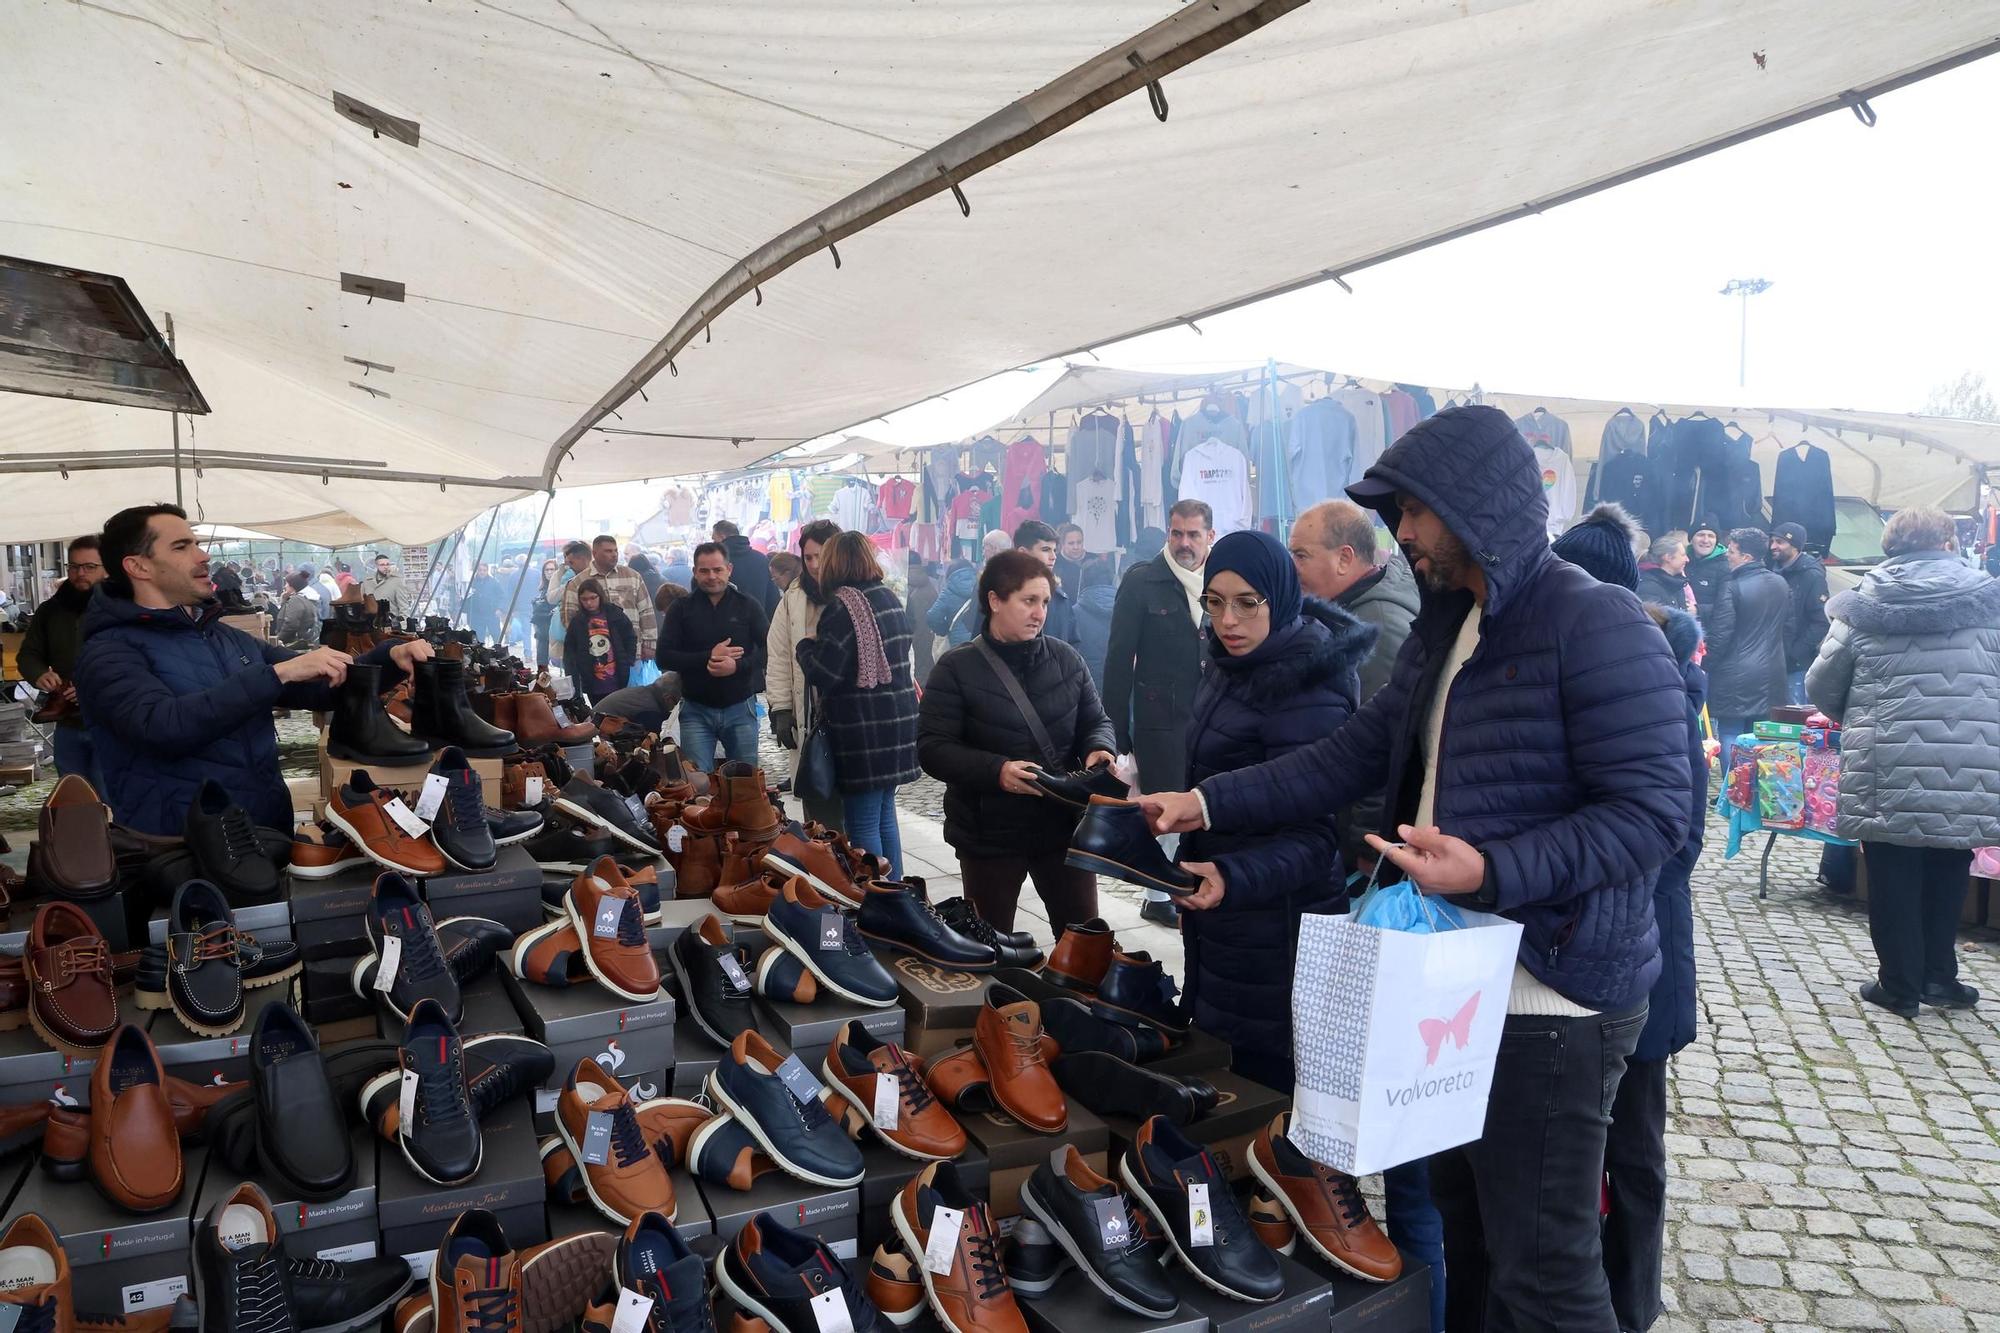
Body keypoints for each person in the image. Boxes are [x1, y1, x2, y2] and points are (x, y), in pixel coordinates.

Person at [1143, 407, 1691, 1333]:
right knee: (1470, 1236)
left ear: (1474, 506)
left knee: (1547, 1268)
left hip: (1553, 1000)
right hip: (1450, 987)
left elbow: (1654, 815)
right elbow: (1352, 752)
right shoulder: (1452, 626)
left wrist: (1490, 867)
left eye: (1414, 513)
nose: (1401, 534)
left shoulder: (1593, 621)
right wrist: (1208, 804)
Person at [1552, 508, 1706, 1333]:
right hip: (1579, 966)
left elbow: (1678, 838)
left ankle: (1633, 1307)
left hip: (1642, 960)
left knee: (1636, 1150)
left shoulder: (1657, 678)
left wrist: (1597, 910)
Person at [73, 504, 432, 836]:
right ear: (138, 567)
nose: (203, 555)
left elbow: (320, 687)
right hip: (182, 844)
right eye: (182, 547)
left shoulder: (223, 637)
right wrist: (278, 674)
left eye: (197, 543)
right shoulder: (108, 651)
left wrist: (389, 659)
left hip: (262, 829)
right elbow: (164, 726)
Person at [1174, 530, 1373, 1087]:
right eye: (1214, 602)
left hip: (1282, 931)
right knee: (1231, 1090)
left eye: (1245, 603)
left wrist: (1231, 874)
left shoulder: (1310, 685)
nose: (1228, 621)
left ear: (1279, 597)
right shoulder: (1229, 664)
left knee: (1275, 1095)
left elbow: (1318, 840)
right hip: (1225, 921)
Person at [1807, 506, 2000, 1018]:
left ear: (1890, 545)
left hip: (1886, 756)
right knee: (1949, 863)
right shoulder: (1991, 599)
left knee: (1892, 869)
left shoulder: (1866, 602)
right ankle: (1940, 976)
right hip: (1972, 758)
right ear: (1950, 542)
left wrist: (1859, 712)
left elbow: (1822, 684)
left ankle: (1899, 986)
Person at [919, 550, 1115, 935]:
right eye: (1028, 601)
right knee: (991, 947)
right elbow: (932, 748)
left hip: (1061, 827)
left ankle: (1077, 999)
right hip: (989, 834)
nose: (1039, 612)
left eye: (1043, 602)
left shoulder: (1066, 659)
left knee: (1086, 942)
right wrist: (997, 772)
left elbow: (1096, 720)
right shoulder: (955, 668)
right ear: (994, 600)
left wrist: (1098, 749)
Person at [1104, 499, 1213, 926]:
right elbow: (1118, 659)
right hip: (1159, 721)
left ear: (1210, 536)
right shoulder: (1142, 581)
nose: (1183, 543)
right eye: (1176, 533)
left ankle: (1187, 881)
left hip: (1208, 716)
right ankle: (1156, 895)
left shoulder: (1219, 579)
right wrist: (1116, 734)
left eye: (1192, 534)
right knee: (1163, 808)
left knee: (1202, 805)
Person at [796, 532, 921, 877]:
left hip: (863, 728)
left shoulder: (842, 607)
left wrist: (805, 648)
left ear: (835, 562)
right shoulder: (888, 598)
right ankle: (896, 891)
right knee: (884, 813)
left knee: (862, 820)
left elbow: (826, 672)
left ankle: (879, 898)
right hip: (897, 720)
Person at [1288, 500, 1418, 707]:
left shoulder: (1379, 630)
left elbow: (1375, 728)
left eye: (1300, 555)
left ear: (1344, 559)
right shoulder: (1357, 608)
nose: (1291, 567)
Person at [654, 541, 769, 770]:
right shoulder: (681, 609)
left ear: (729, 569)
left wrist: (738, 666)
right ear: (695, 572)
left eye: (717, 569)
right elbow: (663, 658)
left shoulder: (748, 606)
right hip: (696, 710)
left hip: (740, 707)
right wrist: (708, 656)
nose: (712, 576)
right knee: (699, 787)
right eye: (704, 571)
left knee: (745, 785)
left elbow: (771, 651)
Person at [767, 520, 846, 832]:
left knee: (860, 814)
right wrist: (782, 708)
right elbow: (779, 654)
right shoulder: (794, 596)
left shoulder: (855, 589)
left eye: (821, 555)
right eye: (809, 557)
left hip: (853, 717)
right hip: (810, 719)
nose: (815, 564)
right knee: (818, 806)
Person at [18, 535, 107, 783]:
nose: (80, 573)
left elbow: (140, 663)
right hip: (68, 721)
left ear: (107, 568)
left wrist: (93, 690)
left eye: (90, 567)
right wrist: (39, 674)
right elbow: (29, 654)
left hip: (112, 722)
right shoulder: (51, 610)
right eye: (74, 567)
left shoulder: (123, 607)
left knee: (111, 798)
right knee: (71, 793)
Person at [1705, 527, 1791, 773]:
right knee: (1761, 736)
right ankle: (1758, 790)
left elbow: (1721, 635)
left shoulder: (1732, 587)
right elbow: (1789, 627)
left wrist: (1706, 664)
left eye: (1731, 551)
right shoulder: (1781, 583)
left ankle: (1732, 791)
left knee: (1731, 731)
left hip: (1735, 672)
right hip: (1773, 670)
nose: (1727, 556)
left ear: (1746, 557)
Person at [561, 535, 660, 662]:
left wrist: (650, 644)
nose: (614, 555)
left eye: (615, 551)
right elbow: (569, 618)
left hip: (632, 651)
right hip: (597, 655)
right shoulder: (577, 582)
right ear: (595, 553)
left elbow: (646, 611)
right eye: (608, 551)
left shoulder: (633, 577)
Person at [1769, 521, 1830, 705]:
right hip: (1772, 660)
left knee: (1792, 719)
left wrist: (1794, 653)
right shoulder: (1773, 571)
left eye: (1780, 542)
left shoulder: (1812, 575)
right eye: (1772, 541)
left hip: (1796, 665)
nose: (1773, 546)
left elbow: (1821, 621)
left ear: (1795, 546)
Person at [929, 531, 1012, 648]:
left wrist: (945, 630)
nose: (983, 553)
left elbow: (933, 615)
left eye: (984, 548)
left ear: (994, 548)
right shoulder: (1015, 572)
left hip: (983, 639)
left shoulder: (991, 575)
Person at [563, 577, 638, 706]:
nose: (589, 603)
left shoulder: (615, 614)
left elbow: (630, 637)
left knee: (617, 712)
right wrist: (573, 674)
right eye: (584, 599)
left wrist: (629, 659)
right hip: (592, 678)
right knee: (599, 713)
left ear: (600, 596)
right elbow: (570, 650)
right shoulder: (578, 622)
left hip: (617, 675)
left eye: (593, 598)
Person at [1012, 520, 1080, 648]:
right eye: (1045, 549)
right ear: (1023, 553)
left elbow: (1072, 645)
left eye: (1054, 550)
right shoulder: (1003, 595)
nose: (1053, 556)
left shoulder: (1060, 599)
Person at [712, 520, 779, 616]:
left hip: (727, 626)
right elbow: (773, 599)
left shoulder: (718, 563)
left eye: (714, 540)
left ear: (722, 537)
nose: (713, 544)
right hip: (759, 624)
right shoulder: (762, 559)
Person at [1072, 556, 1117, 691]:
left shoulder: (1073, 613)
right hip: (1121, 683)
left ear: (1083, 581)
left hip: (1085, 684)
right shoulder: (1126, 611)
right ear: (1112, 580)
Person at [1636, 532, 1696, 615]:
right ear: (1668, 557)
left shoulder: (1677, 582)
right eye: (1683, 555)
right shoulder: (1648, 586)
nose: (1687, 560)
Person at [905, 557, 941, 685]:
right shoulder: (930, 585)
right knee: (926, 665)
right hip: (928, 633)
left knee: (913, 669)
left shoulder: (902, 584)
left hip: (910, 635)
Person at [1684, 519, 1729, 622]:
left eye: (1711, 536)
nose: (1705, 540)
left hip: (1708, 630)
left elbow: (1727, 606)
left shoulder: (1726, 567)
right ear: (1691, 539)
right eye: (1700, 535)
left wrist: (1698, 610)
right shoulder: (1682, 560)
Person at [273, 571, 322, 649]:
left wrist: (278, 638)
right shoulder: (307, 598)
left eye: (287, 584)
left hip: (296, 644)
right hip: (309, 641)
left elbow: (291, 624)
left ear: (293, 586)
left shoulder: (296, 600)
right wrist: (285, 600)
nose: (285, 586)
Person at [530, 558, 561, 669]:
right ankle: (543, 685)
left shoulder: (561, 588)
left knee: (561, 664)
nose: (549, 572)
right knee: (542, 665)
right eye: (546, 570)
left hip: (557, 632)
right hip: (543, 632)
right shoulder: (542, 590)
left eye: (552, 569)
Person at [364, 553, 409, 620]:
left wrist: (403, 625)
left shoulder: (397, 581)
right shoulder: (368, 582)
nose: (385, 567)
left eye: (387, 564)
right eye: (382, 565)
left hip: (391, 623)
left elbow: (404, 608)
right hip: (371, 623)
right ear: (376, 566)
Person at [1054, 524, 1087, 596]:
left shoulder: (1094, 561)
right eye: (1071, 543)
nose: (1076, 547)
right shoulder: (1054, 563)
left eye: (1079, 542)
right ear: (1062, 544)